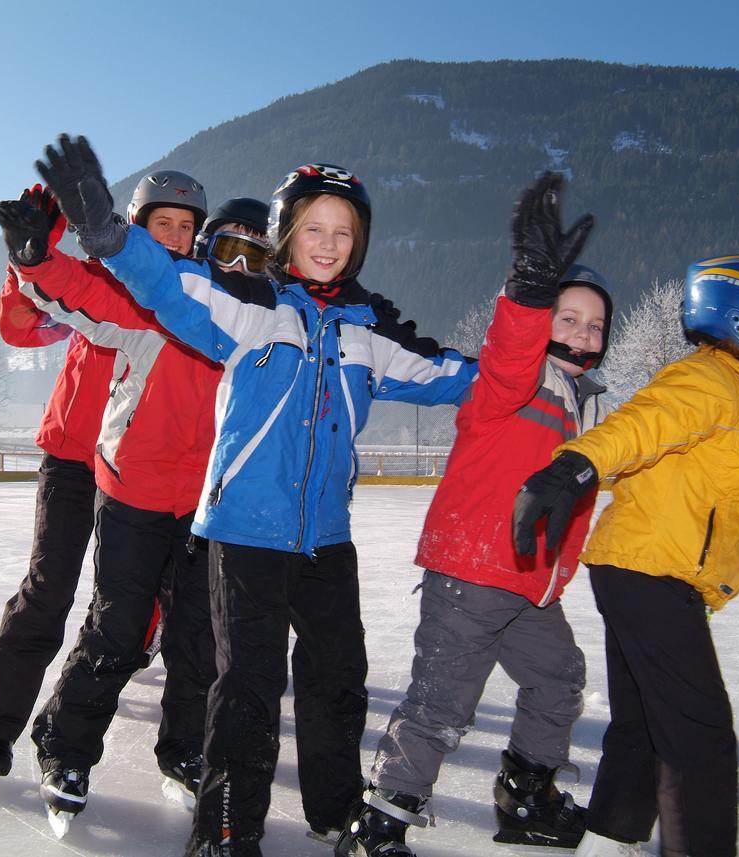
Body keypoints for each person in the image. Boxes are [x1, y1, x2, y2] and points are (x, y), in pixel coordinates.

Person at [30, 134, 481, 857]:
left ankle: (335, 813)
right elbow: (167, 286)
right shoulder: (255, 307)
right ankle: (227, 831)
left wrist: (530, 327)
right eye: (313, 229)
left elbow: (461, 376)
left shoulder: (372, 325)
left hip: (326, 534)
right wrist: (108, 234)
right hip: (244, 531)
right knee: (247, 686)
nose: (328, 244)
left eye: (343, 232)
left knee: (339, 676)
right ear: (287, 236)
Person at [511, 254, 739, 857]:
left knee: (643, 726)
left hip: (639, 567)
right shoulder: (705, 381)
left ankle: (611, 839)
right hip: (651, 571)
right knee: (701, 737)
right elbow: (643, 423)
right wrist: (576, 465)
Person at [338, 173, 610, 857]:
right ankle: (381, 823)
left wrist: (559, 571)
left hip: (527, 583)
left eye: (595, 323)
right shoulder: (514, 382)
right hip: (471, 569)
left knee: (559, 677)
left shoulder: (583, 404)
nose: (581, 331)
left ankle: (526, 794)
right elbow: (512, 350)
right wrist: (527, 291)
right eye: (567, 317)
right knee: (441, 702)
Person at [0, 170, 226, 836]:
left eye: (187, 227)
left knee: (193, 632)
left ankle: (183, 750)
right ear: (133, 224)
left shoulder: (210, 296)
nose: (176, 238)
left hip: (191, 493)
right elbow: (42, 308)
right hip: (103, 468)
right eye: (163, 224)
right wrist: (31, 256)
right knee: (94, 614)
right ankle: (38, 739)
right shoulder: (116, 283)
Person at [0, 185, 115, 796]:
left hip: (138, 468)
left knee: (122, 609)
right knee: (48, 589)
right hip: (73, 457)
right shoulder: (83, 282)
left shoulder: (174, 293)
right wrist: (32, 250)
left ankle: (65, 734)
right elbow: (20, 325)